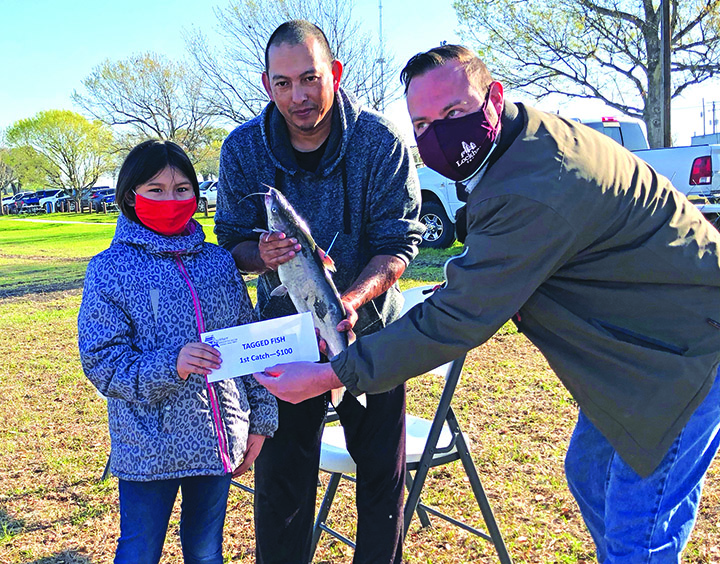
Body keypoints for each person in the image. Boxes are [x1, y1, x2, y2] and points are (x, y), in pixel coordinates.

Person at [254, 45, 720, 563]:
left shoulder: (537, 184)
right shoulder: (515, 148)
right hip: (635, 346)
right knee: (589, 475)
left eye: (453, 113)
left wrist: (328, 375)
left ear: (494, 98)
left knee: (640, 533)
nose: (438, 134)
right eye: (424, 123)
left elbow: (455, 319)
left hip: (685, 347)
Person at [214, 19, 423, 564]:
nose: (298, 95)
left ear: (335, 72)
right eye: (282, 83)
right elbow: (230, 242)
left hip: (371, 331)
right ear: (266, 85)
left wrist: (344, 305)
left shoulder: (382, 142)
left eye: (309, 78)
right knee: (281, 480)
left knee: (381, 476)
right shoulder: (242, 150)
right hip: (283, 338)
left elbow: (398, 244)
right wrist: (262, 255)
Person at [77, 140, 278, 564]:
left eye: (182, 188)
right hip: (147, 447)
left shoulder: (219, 262)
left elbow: (250, 343)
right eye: (156, 189)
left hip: (218, 439)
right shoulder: (109, 268)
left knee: (206, 554)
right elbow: (102, 361)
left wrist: (260, 420)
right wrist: (173, 364)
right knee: (139, 551)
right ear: (131, 195)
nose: (171, 199)